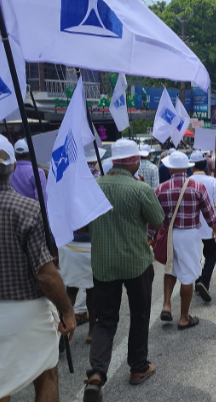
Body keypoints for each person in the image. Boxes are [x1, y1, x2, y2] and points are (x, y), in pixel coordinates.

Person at [0, 130, 75, 402]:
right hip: (27, 314)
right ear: (10, 169)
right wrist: (67, 311)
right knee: (46, 376)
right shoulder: (28, 210)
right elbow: (45, 276)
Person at [83, 139, 164, 401]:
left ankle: (96, 373)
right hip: (136, 263)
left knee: (105, 320)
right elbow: (158, 220)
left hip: (103, 264)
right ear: (133, 161)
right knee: (140, 314)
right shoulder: (140, 189)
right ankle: (138, 368)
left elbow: (84, 224)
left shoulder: (93, 187)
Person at [154, 151, 216, 329]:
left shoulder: (160, 189)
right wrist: (215, 229)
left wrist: (151, 236)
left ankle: (166, 305)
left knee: (169, 269)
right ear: (187, 167)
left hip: (168, 234)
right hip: (189, 234)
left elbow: (154, 216)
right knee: (188, 276)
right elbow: (209, 212)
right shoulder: (197, 187)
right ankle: (183, 317)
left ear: (169, 168)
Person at [59, 144, 105, 346]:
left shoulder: (66, 181)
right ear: (93, 161)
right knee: (93, 290)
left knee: (70, 289)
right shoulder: (97, 181)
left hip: (69, 241)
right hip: (89, 242)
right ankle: (92, 331)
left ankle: (62, 329)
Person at [188, 151, 216, 303]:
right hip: (209, 226)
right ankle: (205, 281)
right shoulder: (212, 181)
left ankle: (197, 281)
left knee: (195, 256)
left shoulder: (187, 181)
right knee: (211, 255)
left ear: (192, 167)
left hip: (191, 226)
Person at [9, 138, 48, 203]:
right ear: (30, 153)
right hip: (33, 211)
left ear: (15, 155)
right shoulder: (38, 172)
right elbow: (41, 201)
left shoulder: (8, 171)